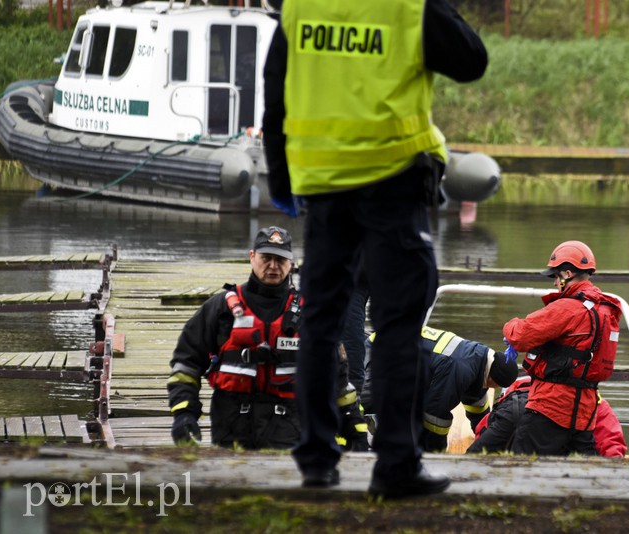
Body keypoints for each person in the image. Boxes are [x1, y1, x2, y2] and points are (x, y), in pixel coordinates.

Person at [262, 0, 488, 497]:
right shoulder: (407, 9)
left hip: (324, 188)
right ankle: (395, 465)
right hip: (393, 188)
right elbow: (472, 60)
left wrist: (280, 174)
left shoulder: (301, 10)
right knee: (399, 329)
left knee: (320, 325)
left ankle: (317, 459)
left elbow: (274, 92)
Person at [166, 226, 367, 451]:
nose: (273, 266)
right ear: (252, 257)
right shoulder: (220, 309)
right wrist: (184, 414)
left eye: (280, 260)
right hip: (231, 433)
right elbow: (186, 364)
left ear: (291, 264)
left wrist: (354, 428)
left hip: (290, 434)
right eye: (266, 258)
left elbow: (338, 380)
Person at [502, 240, 623, 456]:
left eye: (556, 276)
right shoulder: (606, 309)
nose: (554, 283)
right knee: (584, 474)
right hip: (584, 414)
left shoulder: (567, 308)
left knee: (521, 467)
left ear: (567, 273)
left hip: (550, 407)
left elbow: (520, 336)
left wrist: (508, 326)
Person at [360, 326, 519, 452]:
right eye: (496, 386)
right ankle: (354, 439)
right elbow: (435, 416)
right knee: (369, 403)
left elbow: (479, 413)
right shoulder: (460, 367)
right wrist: (437, 454)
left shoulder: (480, 362)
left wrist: (489, 441)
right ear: (492, 378)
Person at [467, 375, 627, 458]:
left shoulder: (516, 392)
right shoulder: (591, 399)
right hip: (559, 444)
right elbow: (612, 442)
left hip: (515, 418)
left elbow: (484, 429)